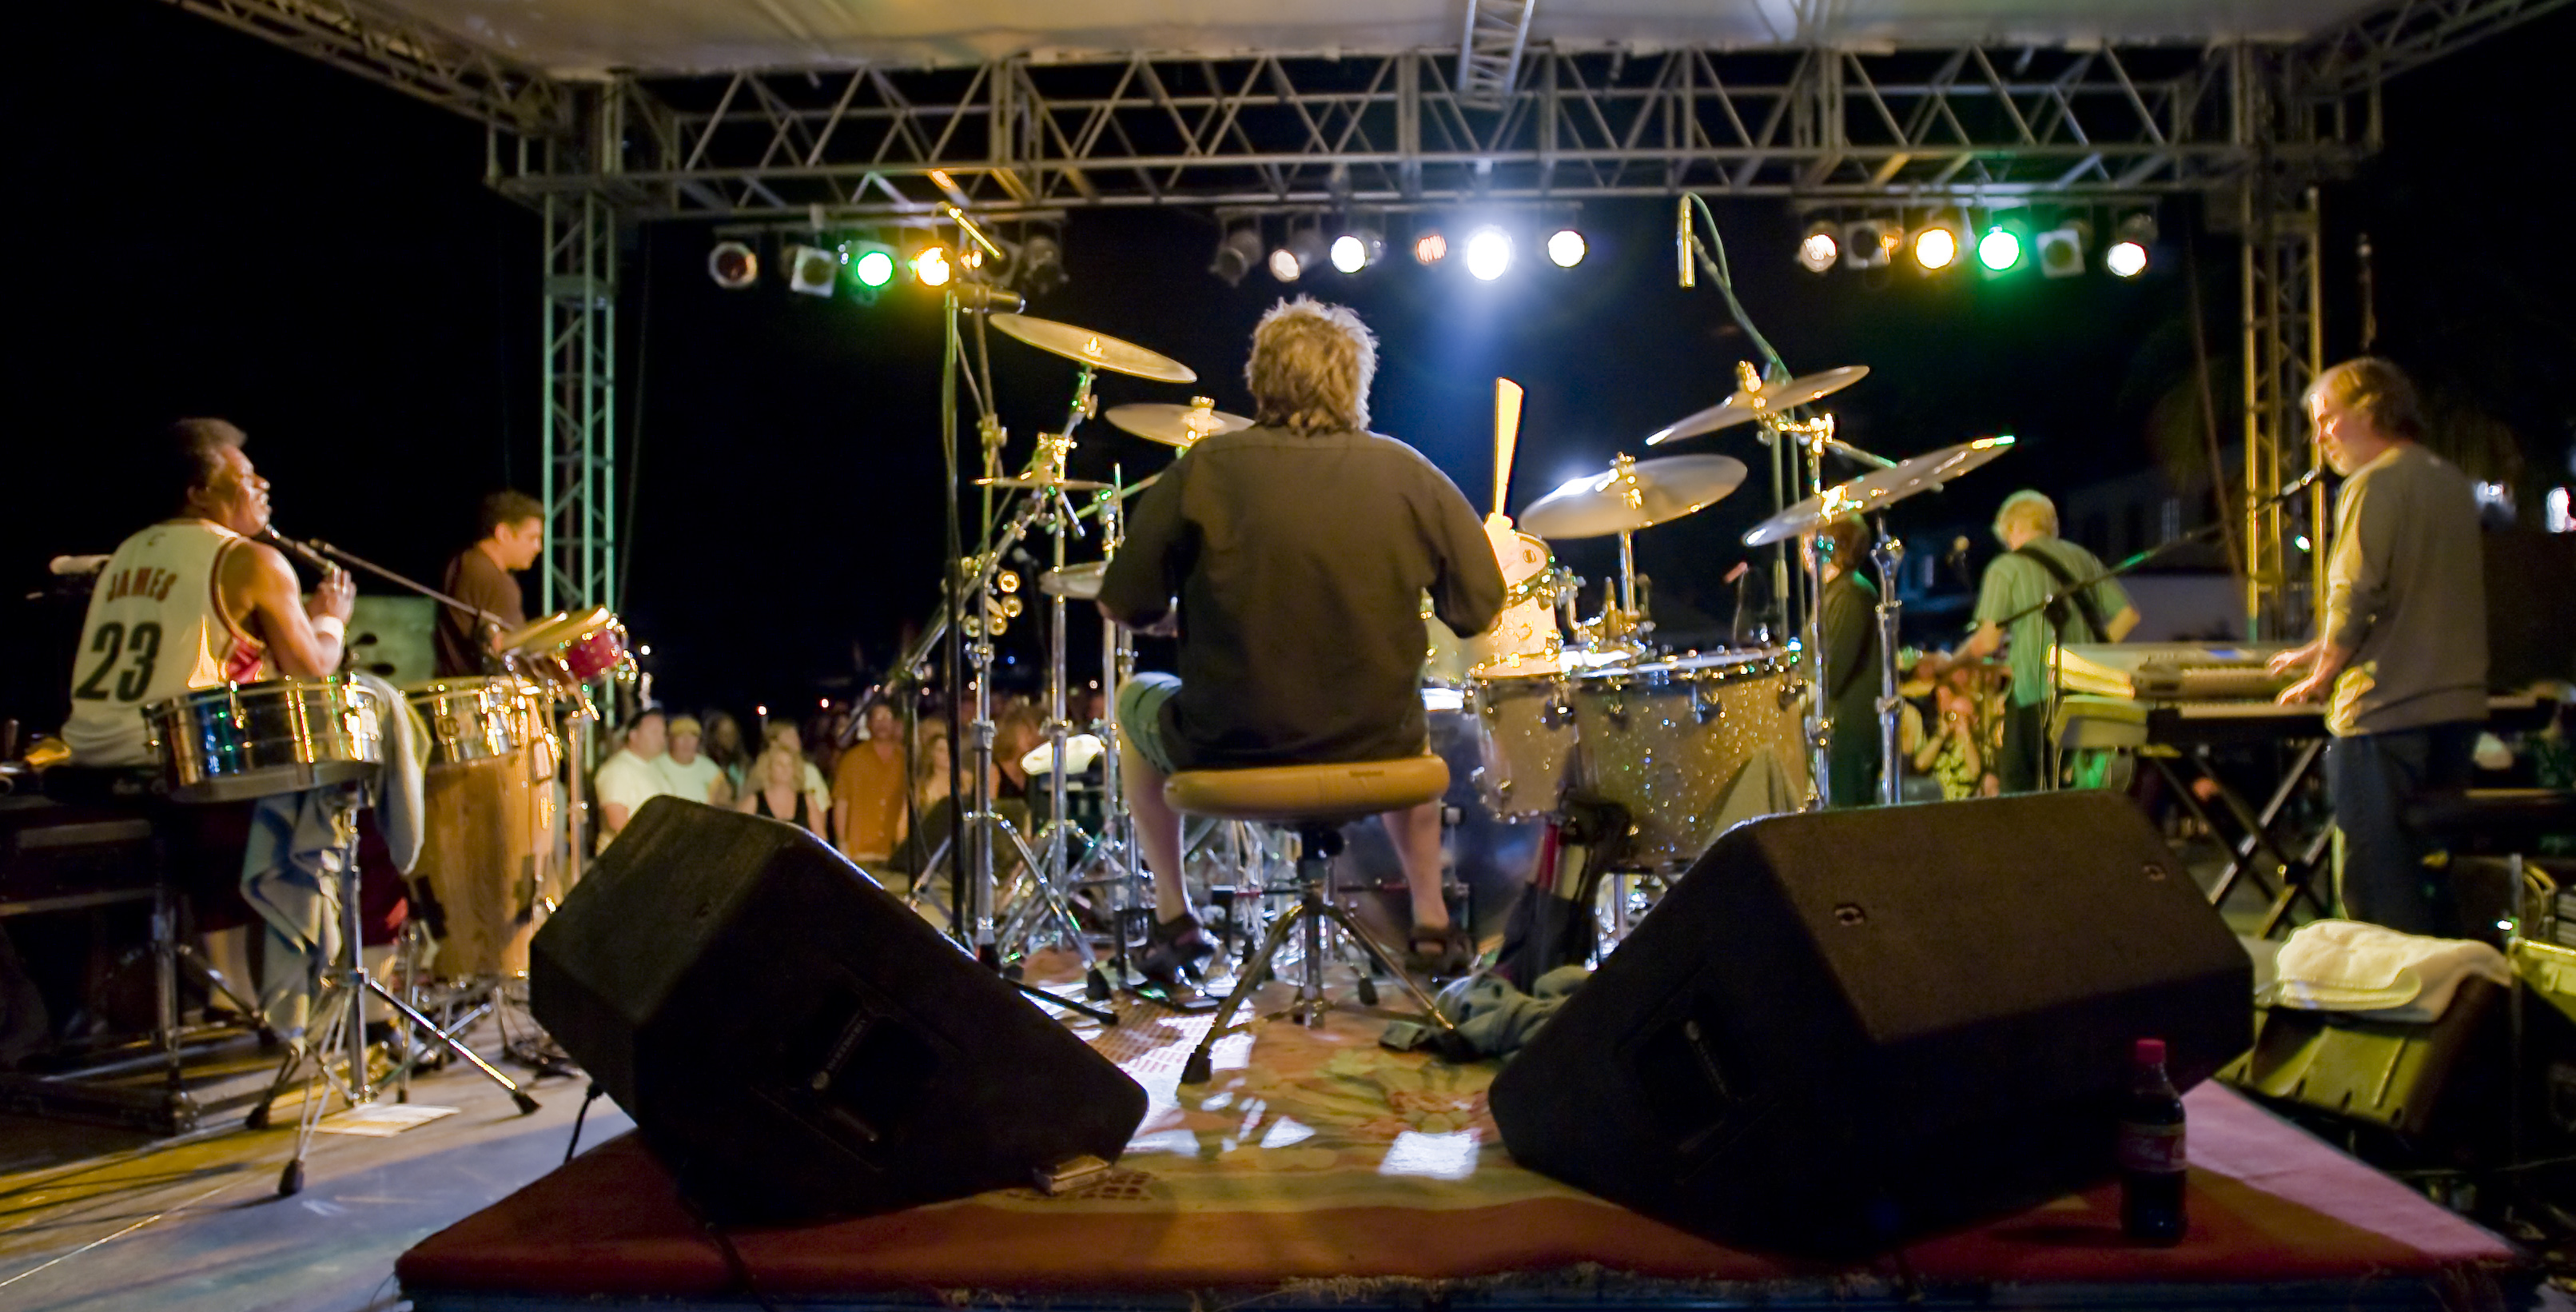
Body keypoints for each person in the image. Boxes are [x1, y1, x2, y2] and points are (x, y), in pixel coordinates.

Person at [1097, 297, 1505, 983]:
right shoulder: (1408, 472)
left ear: (1259, 380)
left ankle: (1174, 916)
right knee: (1402, 710)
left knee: (1136, 693)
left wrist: (1181, 614)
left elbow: (1123, 602)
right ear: (1356, 383)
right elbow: (1480, 609)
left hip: (1226, 751)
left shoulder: (1204, 468)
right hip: (1379, 755)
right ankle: (1433, 925)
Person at [63, 420, 356, 1037]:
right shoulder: (249, 559)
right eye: (244, 476)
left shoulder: (125, 554)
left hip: (88, 756)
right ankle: (320, 992)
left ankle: (231, 988)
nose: (262, 483)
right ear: (198, 492)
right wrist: (329, 619)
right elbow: (313, 675)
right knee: (352, 793)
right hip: (167, 758)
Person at [2268, 357, 2487, 935]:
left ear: (2369, 411)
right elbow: (2416, 594)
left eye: (2326, 419)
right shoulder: (2449, 481)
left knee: (2379, 890)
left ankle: (2390, 991)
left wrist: (2322, 675)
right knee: (2433, 880)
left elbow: (2356, 592)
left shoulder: (2373, 482)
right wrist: (2318, 649)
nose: (2319, 437)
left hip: (2385, 712)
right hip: (2455, 708)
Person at [1925, 490, 2140, 793]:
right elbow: (2129, 615)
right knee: (2073, 791)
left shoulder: (2006, 567)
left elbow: (1986, 642)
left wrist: (1951, 664)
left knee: (2021, 793)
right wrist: (2088, 654)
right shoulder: (2083, 558)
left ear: (2011, 527)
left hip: (2034, 696)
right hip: (2084, 694)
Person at [433, 490, 544, 678]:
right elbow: (515, 655)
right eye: (531, 538)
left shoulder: (462, 562)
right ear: (503, 534)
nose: (538, 547)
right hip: (481, 689)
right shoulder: (497, 582)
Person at [1814, 515, 1883, 807]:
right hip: (1838, 731)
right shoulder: (1835, 592)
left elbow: (1832, 672)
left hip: (1848, 735)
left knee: (1846, 819)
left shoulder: (1851, 594)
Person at [832, 700, 909, 867]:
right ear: (869, 724)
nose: (883, 723)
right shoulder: (852, 759)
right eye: (877, 718)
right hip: (859, 852)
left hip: (894, 853)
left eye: (887, 717)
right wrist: (842, 842)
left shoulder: (906, 760)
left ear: (895, 723)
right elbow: (841, 802)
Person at [592, 708, 679, 851]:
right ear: (633, 735)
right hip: (625, 857)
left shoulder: (656, 768)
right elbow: (617, 821)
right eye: (654, 732)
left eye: (663, 733)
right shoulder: (618, 769)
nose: (661, 739)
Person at [739, 743, 829, 836]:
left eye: (789, 764)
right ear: (769, 768)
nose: (785, 769)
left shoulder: (807, 800)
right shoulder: (753, 801)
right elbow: (738, 834)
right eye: (779, 764)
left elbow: (821, 837)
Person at [657, 714, 731, 806]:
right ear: (670, 739)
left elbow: (724, 802)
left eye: (693, 736)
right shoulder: (657, 765)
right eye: (680, 735)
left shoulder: (711, 770)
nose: (687, 742)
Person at [703, 710, 752, 796]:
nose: (730, 738)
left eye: (732, 733)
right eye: (725, 734)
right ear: (714, 736)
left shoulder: (743, 763)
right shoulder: (705, 763)